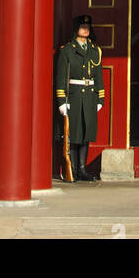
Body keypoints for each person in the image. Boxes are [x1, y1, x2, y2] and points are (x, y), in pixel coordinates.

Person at [55, 13, 105, 182]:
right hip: (74, 96)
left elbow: (98, 76)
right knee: (74, 135)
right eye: (83, 27)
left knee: (86, 134)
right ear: (76, 29)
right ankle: (73, 169)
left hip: (90, 96)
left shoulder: (94, 50)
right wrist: (62, 101)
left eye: (88, 27)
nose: (86, 30)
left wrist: (100, 98)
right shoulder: (67, 51)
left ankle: (82, 169)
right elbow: (61, 78)